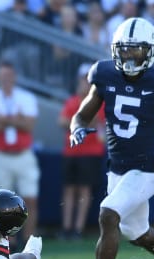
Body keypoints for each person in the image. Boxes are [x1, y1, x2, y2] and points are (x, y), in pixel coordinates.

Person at [71, 17, 154, 259]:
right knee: (138, 234)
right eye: (124, 50)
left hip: (147, 170)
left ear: (151, 51)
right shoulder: (105, 73)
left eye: (136, 51)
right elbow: (83, 114)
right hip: (117, 170)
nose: (129, 57)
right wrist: (76, 128)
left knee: (108, 214)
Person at [0, 61, 40, 249]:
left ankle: (29, 240)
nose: (6, 80)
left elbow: (29, 125)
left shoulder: (26, 97)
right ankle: (7, 242)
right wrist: (16, 120)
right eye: (2, 76)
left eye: (9, 76)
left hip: (23, 154)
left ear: (14, 77)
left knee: (30, 198)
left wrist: (3, 120)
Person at [57, 64, 106, 240]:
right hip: (72, 151)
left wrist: (78, 121)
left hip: (91, 152)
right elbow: (63, 121)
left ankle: (78, 228)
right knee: (69, 190)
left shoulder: (98, 101)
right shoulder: (72, 101)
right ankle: (67, 227)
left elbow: (95, 123)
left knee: (84, 189)